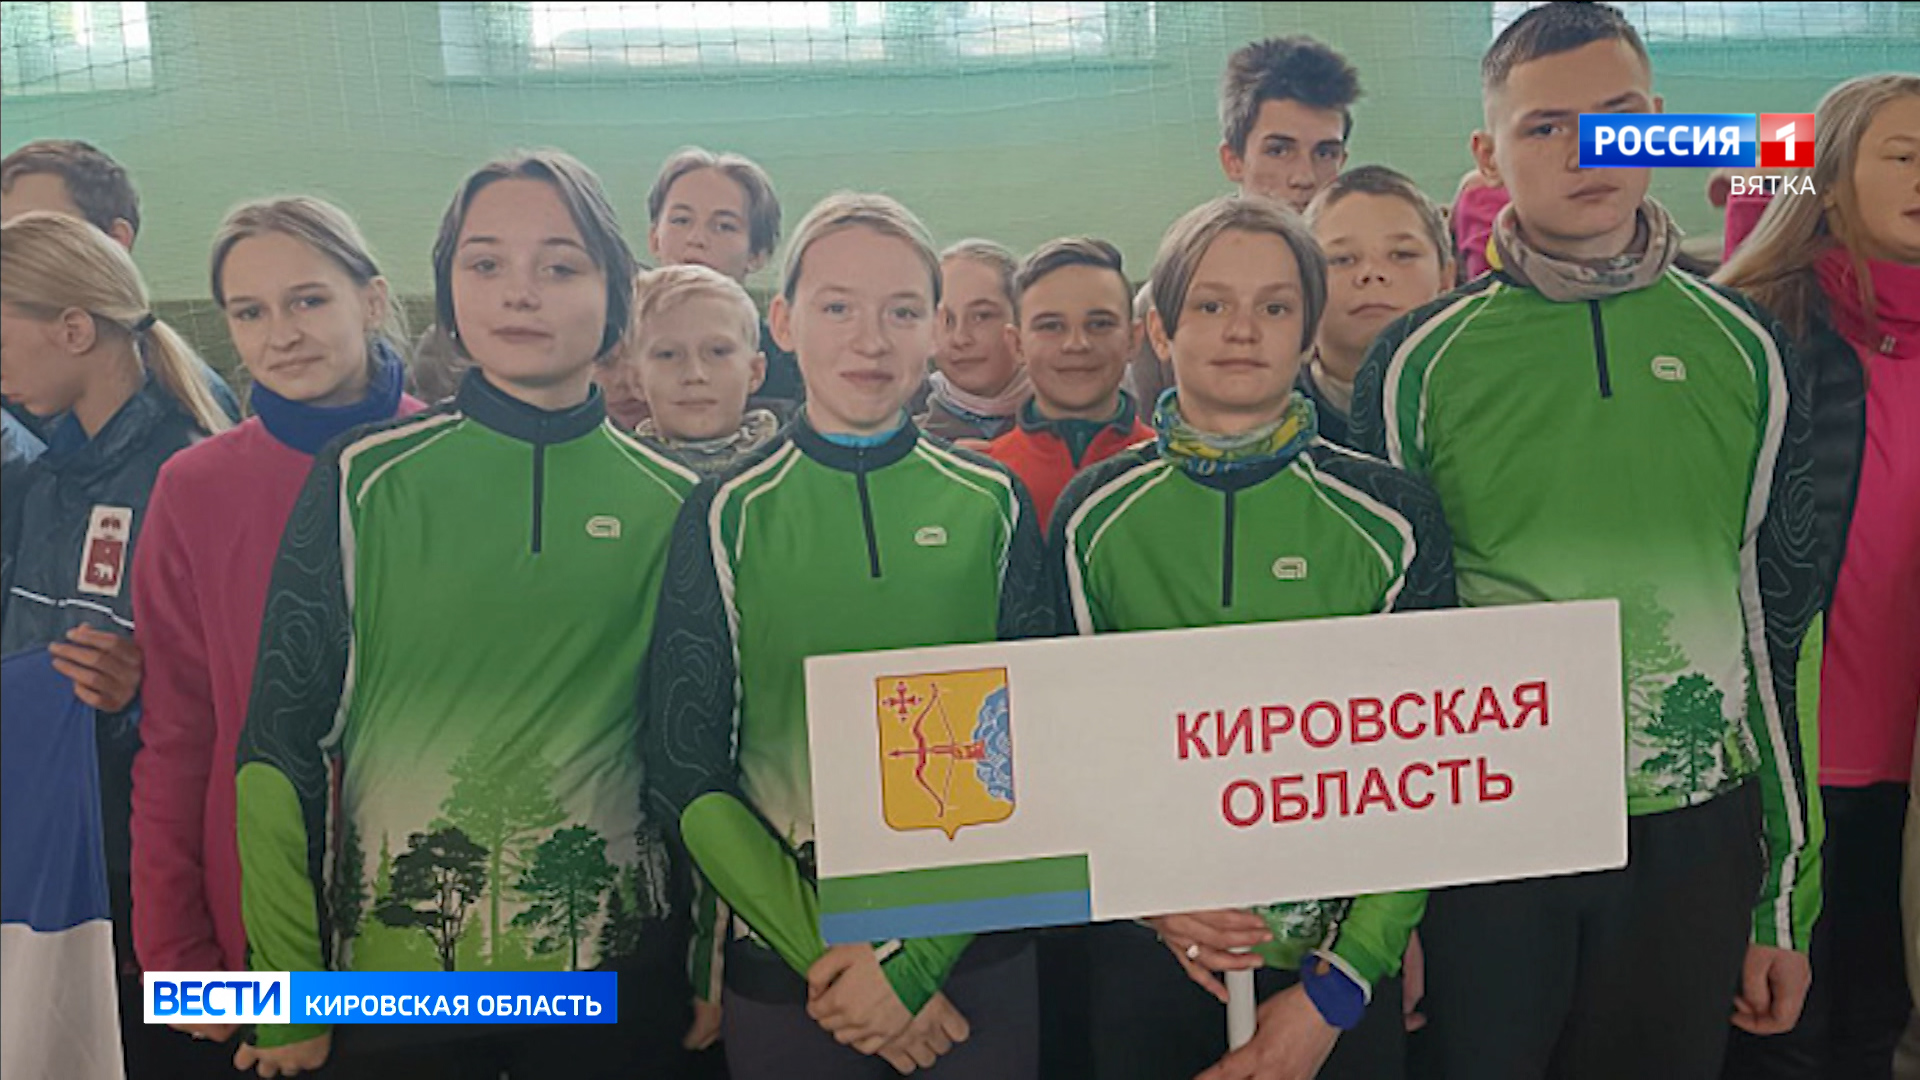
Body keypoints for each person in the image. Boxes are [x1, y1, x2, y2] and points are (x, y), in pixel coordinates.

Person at [1351, 5, 1824, 1077]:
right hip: (1489, 831)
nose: (1588, 152)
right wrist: (1381, 917)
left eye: (1618, 120)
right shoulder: (1414, 364)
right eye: (1545, 127)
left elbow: (1782, 625)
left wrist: (1783, 899)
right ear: (1487, 155)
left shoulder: (1748, 348)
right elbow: (1382, 649)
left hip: (1693, 827)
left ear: (1659, 123)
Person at [233, 151, 699, 1078]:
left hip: (614, 976)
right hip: (399, 983)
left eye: (559, 265)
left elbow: (697, 761)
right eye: (485, 263)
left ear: (615, 294)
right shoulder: (363, 478)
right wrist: (283, 991)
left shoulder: (680, 501)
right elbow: (278, 748)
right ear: (448, 289)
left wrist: (712, 963)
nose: (520, 292)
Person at [644, 191, 1053, 1079]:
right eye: (838, 308)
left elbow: (1043, 736)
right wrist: (830, 958)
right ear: (784, 322)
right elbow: (686, 769)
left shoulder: (993, 502)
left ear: (935, 328)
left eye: (901, 312)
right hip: (794, 969)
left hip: (975, 955)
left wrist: (915, 966)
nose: (871, 341)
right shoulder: (725, 512)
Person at [1055, 195, 1454, 1080]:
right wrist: (1150, 902)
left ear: (1309, 332)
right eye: (1210, 304)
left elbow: (1432, 766)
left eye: (1275, 306)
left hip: (1336, 980)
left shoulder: (1391, 514)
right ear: (1159, 331)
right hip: (1153, 958)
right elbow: (1064, 747)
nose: (1243, 329)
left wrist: (1345, 981)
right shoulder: (1090, 516)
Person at [129, 196, 424, 1058]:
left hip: (445, 921)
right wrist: (173, 955)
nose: (281, 334)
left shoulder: (454, 458)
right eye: (249, 312)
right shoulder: (194, 487)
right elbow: (178, 732)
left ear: (371, 299)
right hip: (255, 919)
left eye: (308, 300)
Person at [1715, 74, 1920, 1080]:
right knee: (1775, 1040)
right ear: (1829, 182)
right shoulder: (1757, 335)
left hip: (1905, 788)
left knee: (1876, 1032)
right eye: (1905, 155)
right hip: (1780, 780)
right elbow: (1608, 142)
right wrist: (1776, 148)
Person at [1, 210, 232, 1079]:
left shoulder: (191, 472)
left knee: (173, 1052)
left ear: (73, 329)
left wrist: (144, 690)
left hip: (158, 876)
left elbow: (245, 685)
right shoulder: (46, 479)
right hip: (57, 859)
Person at [1128, 34, 1363, 409]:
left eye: (1324, 153)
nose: (1304, 176)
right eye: (1279, 150)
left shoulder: (1367, 286)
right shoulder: (1169, 296)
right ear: (1233, 160)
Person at [2, 139, 241, 427]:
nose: (9, 255)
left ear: (115, 240)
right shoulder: (33, 384)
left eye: (41, 231)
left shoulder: (184, 408)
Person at [986, 238, 1152, 527]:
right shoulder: (987, 482)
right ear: (1016, 344)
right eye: (1051, 326)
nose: (1077, 344)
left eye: (1099, 324)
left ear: (1133, 339)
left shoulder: (1170, 471)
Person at [1302, 166, 1454, 448]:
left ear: (1446, 280)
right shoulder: (1268, 411)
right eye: (1342, 259)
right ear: (1303, 285)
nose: (1371, 273)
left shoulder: (1487, 399)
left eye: (1402, 255)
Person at [645, 146, 800, 407]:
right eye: (681, 220)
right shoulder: (612, 350)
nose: (696, 239)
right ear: (654, 238)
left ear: (758, 254)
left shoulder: (788, 368)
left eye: (724, 226)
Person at [624, 263, 778, 476]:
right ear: (636, 380)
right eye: (668, 355)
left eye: (718, 352)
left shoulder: (792, 469)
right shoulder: (619, 474)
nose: (695, 374)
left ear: (755, 372)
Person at [919, 240, 1029, 444]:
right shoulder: (909, 440)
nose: (960, 338)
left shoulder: (1068, 421)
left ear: (1021, 321)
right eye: (947, 320)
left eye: (982, 316)